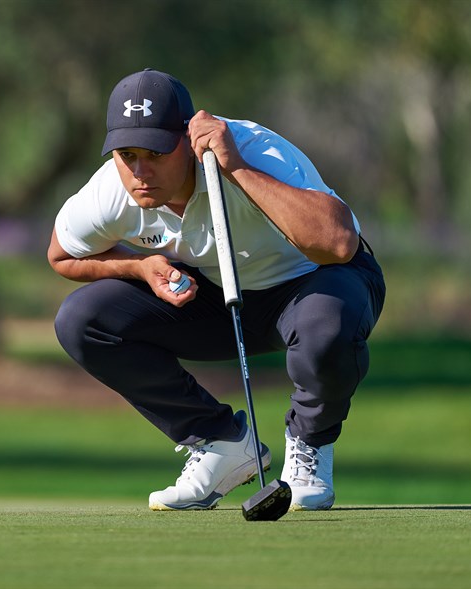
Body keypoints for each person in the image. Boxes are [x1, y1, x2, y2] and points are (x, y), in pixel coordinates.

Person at [47, 69, 386, 511]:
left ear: (188, 139)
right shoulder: (111, 190)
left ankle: (309, 443)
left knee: (325, 325)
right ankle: (220, 442)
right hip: (223, 297)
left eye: (155, 151)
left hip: (317, 281)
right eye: (126, 154)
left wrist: (236, 169)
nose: (139, 171)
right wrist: (140, 267)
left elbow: (338, 244)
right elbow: (62, 255)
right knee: (82, 320)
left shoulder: (254, 150)